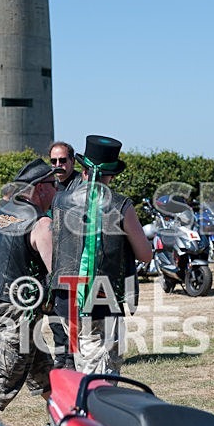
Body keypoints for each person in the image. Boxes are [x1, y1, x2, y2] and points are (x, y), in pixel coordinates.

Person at [51, 135, 152, 375]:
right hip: (101, 298)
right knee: (101, 373)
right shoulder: (120, 205)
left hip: (65, 298)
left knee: (80, 361)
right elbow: (145, 255)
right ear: (112, 175)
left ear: (83, 170)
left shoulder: (59, 201)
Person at [0, 158, 59, 418]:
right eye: (54, 184)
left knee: (44, 372)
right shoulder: (40, 223)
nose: (57, 190)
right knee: (3, 379)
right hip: (18, 310)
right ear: (40, 187)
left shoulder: (4, 213)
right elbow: (56, 273)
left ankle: (67, 419)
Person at [46, 141, 82, 369]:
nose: (58, 165)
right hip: (52, 263)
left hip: (74, 263)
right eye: (54, 161)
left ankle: (72, 360)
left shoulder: (81, 187)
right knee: (56, 318)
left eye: (62, 160)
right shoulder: (49, 186)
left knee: (73, 319)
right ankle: (62, 359)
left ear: (72, 161)